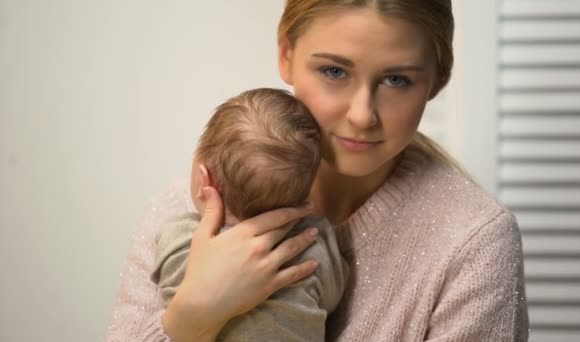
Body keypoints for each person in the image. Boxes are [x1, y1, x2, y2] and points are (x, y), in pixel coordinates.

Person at [107, 0, 529, 341]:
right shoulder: (186, 203)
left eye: (397, 80)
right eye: (334, 71)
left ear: (438, 79)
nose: (362, 115)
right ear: (286, 55)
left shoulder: (473, 243)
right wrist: (191, 319)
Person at [150, 88, 348, 341]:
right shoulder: (312, 240)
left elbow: (161, 286)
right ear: (304, 196)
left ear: (203, 179)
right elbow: (333, 295)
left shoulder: (178, 239)